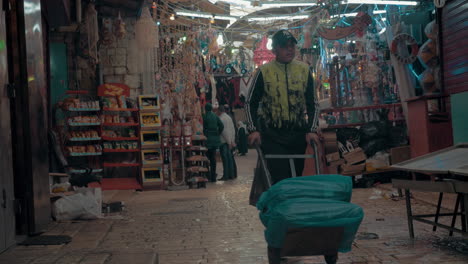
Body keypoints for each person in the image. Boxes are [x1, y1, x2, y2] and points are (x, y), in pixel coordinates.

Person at [245, 29, 320, 184]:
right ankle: (281, 206)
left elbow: (313, 103)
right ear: (275, 50)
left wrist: (311, 130)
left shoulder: (304, 70)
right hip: (272, 136)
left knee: (296, 177)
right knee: (280, 179)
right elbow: (250, 103)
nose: (290, 49)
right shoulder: (264, 72)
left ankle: (294, 207)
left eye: (292, 46)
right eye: (285, 46)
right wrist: (253, 130)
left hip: (298, 135)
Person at [203, 103, 224, 182]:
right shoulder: (215, 116)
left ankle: (208, 175)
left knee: (207, 158)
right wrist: (217, 133)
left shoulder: (205, 116)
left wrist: (205, 133)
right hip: (215, 141)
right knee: (213, 159)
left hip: (208, 140)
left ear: (205, 109)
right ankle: (213, 177)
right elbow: (221, 125)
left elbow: (203, 128)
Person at [218, 105, 237, 180]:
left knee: (225, 159)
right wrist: (232, 140)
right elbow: (233, 130)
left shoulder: (221, 119)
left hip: (224, 142)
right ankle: (231, 175)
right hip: (229, 141)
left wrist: (229, 142)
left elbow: (224, 131)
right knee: (230, 159)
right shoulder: (229, 117)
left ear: (219, 111)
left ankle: (226, 176)